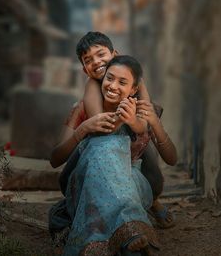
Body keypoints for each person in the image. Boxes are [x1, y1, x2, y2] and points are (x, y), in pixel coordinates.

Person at [50, 32, 177, 229]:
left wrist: (138, 121)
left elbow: (144, 122)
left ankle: (151, 201)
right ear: (84, 69)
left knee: (141, 138)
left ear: (114, 54)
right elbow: (102, 131)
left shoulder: (134, 89)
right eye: (88, 60)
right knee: (104, 143)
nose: (96, 62)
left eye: (101, 55)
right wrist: (84, 129)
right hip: (97, 164)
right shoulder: (88, 96)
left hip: (131, 163)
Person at [50, 55, 162, 256]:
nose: (113, 86)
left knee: (119, 163)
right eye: (110, 78)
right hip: (88, 184)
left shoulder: (137, 114)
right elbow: (55, 159)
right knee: (102, 147)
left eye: (123, 82)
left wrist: (134, 122)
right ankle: (130, 230)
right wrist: (82, 130)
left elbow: (166, 157)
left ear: (133, 89)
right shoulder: (82, 109)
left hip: (129, 182)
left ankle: (121, 239)